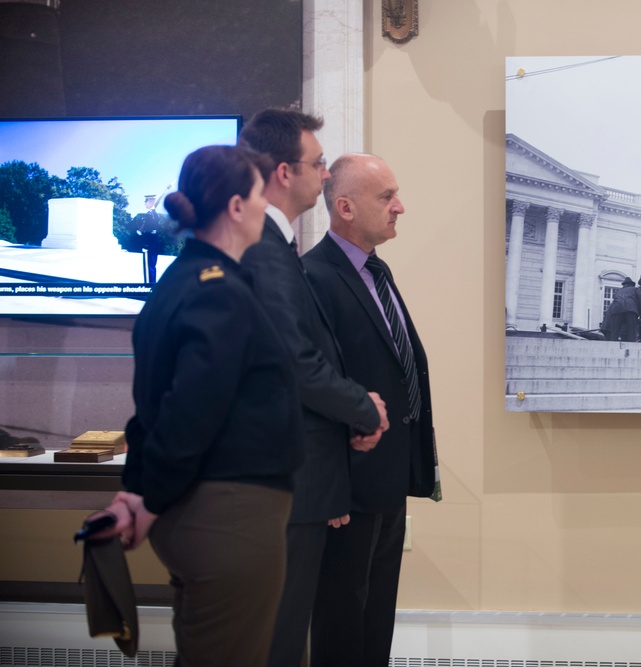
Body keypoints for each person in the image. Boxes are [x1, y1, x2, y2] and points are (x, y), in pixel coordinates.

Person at [111, 144, 302, 666]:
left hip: (205, 512)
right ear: (238, 207)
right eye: (262, 195)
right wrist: (147, 500)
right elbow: (189, 411)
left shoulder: (177, 283)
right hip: (228, 516)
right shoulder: (221, 292)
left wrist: (136, 490)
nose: (268, 207)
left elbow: (149, 408)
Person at [238, 108, 390, 667]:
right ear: (284, 171)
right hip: (285, 486)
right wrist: (363, 408)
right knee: (277, 643)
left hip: (300, 482)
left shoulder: (276, 248)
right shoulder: (265, 250)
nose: (326, 176)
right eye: (319, 162)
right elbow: (294, 363)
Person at [301, 153, 440, 667]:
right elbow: (314, 392)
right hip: (346, 490)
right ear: (345, 207)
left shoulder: (375, 272)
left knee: (375, 618)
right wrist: (329, 485)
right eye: (386, 197)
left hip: (387, 479)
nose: (399, 207)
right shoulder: (313, 277)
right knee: (341, 624)